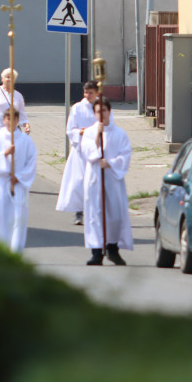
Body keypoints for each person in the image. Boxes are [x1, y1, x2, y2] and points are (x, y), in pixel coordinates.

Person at [81, 97, 133, 266]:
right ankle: (96, 251)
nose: (101, 114)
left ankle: (112, 248)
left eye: (104, 110)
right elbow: (88, 151)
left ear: (109, 111)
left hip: (112, 178)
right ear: (94, 114)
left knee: (114, 214)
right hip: (95, 178)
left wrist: (110, 162)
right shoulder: (89, 132)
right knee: (95, 213)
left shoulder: (120, 133)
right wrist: (98, 134)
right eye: (97, 112)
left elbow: (125, 155)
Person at [0, 108, 38, 253]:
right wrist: (4, 154)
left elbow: (32, 162)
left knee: (17, 218)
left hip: (18, 183)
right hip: (1, 182)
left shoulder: (26, 140)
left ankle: (15, 251)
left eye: (13, 119)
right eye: (7, 119)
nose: (10, 122)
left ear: (17, 121)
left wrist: (19, 177)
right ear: (3, 120)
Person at [56, 81, 100, 226]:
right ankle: (79, 212)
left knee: (96, 181)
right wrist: (81, 132)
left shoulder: (102, 107)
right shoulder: (77, 108)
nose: (88, 96)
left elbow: (107, 125)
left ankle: (97, 211)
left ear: (97, 93)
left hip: (97, 148)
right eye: (86, 93)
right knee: (79, 180)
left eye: (91, 93)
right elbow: (70, 129)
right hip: (81, 149)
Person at [0, 68, 31, 140]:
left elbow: (21, 112)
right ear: (2, 79)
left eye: (12, 78)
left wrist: (26, 124)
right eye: (7, 77)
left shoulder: (18, 95)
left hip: (12, 130)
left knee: (12, 149)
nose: (9, 79)